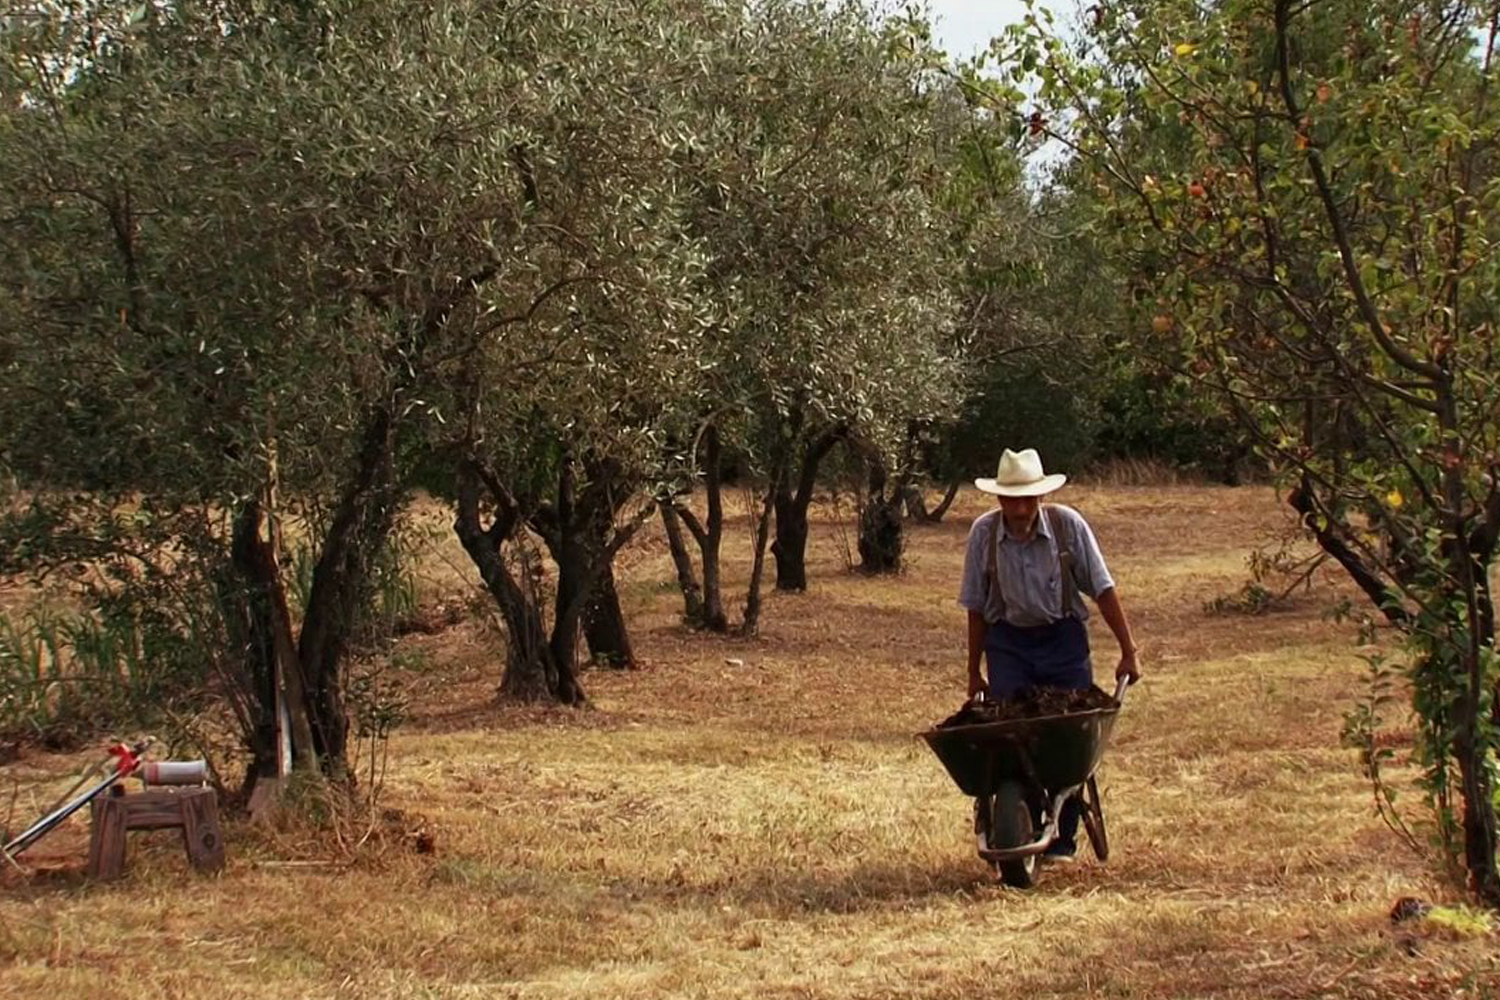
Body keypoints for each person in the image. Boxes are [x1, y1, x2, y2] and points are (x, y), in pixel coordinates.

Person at [957, 447, 1140, 862]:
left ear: (1041, 496)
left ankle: (1064, 835)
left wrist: (1129, 651)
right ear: (999, 499)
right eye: (1010, 499)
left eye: (1027, 499)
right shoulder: (983, 535)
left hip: (1062, 641)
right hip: (1009, 644)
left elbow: (1103, 588)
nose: (1019, 509)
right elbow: (975, 607)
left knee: (1066, 736)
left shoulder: (1066, 526)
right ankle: (1016, 810)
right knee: (1009, 734)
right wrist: (974, 671)